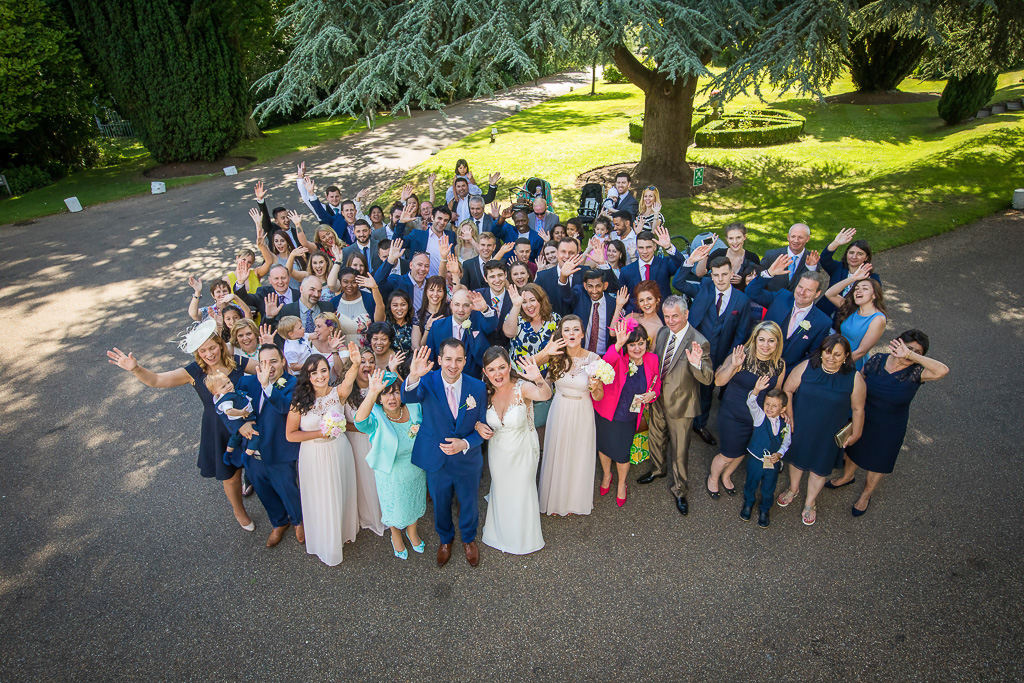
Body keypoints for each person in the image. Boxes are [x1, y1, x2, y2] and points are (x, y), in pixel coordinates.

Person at [106, 321, 257, 530]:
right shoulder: (194, 372)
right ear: (197, 353)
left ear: (220, 345)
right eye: (203, 351)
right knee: (231, 476)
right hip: (219, 430)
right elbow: (157, 380)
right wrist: (136, 369)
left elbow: (267, 370)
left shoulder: (237, 362)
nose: (209, 354)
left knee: (258, 468)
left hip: (248, 423)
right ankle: (238, 511)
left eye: (212, 348)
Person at [827, 331, 949, 516]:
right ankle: (847, 477)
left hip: (891, 426)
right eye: (908, 348)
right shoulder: (877, 360)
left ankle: (866, 494)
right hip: (864, 417)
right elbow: (860, 381)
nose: (910, 354)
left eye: (918, 352)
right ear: (897, 344)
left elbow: (942, 371)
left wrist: (911, 355)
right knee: (854, 449)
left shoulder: (916, 372)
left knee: (879, 461)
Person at [402, 343, 489, 567]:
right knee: (440, 504)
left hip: (467, 459)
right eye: (448, 359)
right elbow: (408, 397)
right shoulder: (426, 381)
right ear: (440, 360)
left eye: (458, 359)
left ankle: (468, 539)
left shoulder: (478, 387)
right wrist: (414, 375)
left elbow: (482, 426)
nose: (453, 365)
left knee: (469, 502)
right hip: (437, 458)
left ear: (465, 361)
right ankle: (445, 540)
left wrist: (465, 443)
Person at [777, 334, 866, 526]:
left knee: (819, 468)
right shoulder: (807, 367)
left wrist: (857, 433)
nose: (831, 357)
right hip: (802, 426)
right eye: (828, 352)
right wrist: (790, 417)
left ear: (846, 356)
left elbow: (858, 408)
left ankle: (810, 502)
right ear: (822, 352)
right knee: (797, 460)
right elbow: (788, 390)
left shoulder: (854, 378)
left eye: (837, 354)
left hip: (829, 433)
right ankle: (793, 489)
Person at [636, 296, 713, 516]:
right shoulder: (662, 332)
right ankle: (658, 469)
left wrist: (696, 364)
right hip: (658, 398)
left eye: (675, 316)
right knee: (656, 437)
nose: (670, 321)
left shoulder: (699, 341)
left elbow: (708, 378)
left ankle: (680, 490)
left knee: (679, 451)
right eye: (667, 316)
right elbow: (657, 363)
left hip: (681, 405)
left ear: (686, 314)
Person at [285, 350, 362, 565]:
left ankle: (343, 530)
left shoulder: (338, 393)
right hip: (314, 455)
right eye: (314, 373)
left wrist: (356, 364)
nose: (320, 376)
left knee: (341, 490)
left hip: (339, 450)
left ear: (329, 371)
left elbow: (349, 379)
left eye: (323, 371)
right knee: (320, 497)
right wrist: (319, 433)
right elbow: (290, 435)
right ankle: (325, 539)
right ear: (307, 376)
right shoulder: (299, 402)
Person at [673, 248, 753, 445]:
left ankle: (699, 424)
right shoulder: (705, 287)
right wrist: (690, 261)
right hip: (692, 348)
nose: (720, 279)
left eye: (724, 274)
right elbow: (678, 283)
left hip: (718, 353)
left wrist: (728, 361)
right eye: (716, 275)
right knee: (684, 384)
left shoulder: (742, 300)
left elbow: (741, 334)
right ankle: (678, 421)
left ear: (732, 273)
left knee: (706, 391)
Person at [477, 349, 551, 554]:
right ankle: (499, 534)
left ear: (509, 367)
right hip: (498, 452)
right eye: (492, 369)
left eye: (502, 367)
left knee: (521, 491)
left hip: (523, 451)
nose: (498, 374)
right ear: (485, 372)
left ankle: (522, 539)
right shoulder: (485, 392)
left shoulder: (522, 388)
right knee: (501, 490)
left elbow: (545, 395)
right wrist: (477, 425)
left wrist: (538, 379)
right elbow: (473, 417)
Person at [354, 369, 428, 560]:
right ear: (379, 398)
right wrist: (372, 392)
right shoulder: (376, 417)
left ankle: (412, 532)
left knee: (414, 501)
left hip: (415, 468)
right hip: (390, 473)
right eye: (385, 393)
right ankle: (395, 534)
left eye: (395, 392)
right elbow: (359, 422)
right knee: (394, 508)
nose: (392, 398)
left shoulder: (413, 407)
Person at [237, 344, 307, 546]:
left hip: (279, 450)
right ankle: (279, 522)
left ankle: (298, 521)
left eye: (274, 361)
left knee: (287, 489)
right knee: (263, 489)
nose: (269, 367)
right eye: (264, 362)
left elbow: (285, 407)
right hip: (253, 451)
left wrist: (267, 386)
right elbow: (230, 408)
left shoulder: (294, 384)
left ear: (283, 361)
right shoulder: (246, 382)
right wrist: (240, 425)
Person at [707, 321, 786, 498]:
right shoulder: (740, 355)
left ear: (777, 342)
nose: (766, 345)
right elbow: (718, 381)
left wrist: (781, 412)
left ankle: (727, 475)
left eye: (771, 340)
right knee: (727, 454)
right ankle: (713, 478)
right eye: (762, 339)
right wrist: (733, 366)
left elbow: (777, 391)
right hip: (733, 415)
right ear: (755, 339)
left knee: (743, 451)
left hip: (758, 418)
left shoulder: (779, 364)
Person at [538, 315, 604, 516]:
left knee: (578, 454)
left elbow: (599, 396)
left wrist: (594, 388)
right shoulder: (555, 356)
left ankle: (573, 501)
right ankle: (554, 500)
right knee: (557, 452)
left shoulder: (594, 360)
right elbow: (542, 380)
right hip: (559, 408)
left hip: (583, 410)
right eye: (566, 330)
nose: (571, 333)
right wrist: (545, 353)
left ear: (583, 333)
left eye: (576, 329)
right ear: (561, 334)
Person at [593, 318, 661, 506]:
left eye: (641, 343)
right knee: (604, 447)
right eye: (632, 345)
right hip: (607, 412)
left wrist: (653, 394)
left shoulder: (652, 359)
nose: (637, 348)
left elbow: (657, 382)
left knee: (622, 454)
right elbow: (604, 364)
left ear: (646, 343)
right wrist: (618, 344)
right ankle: (607, 475)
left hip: (629, 416)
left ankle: (622, 483)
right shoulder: (618, 358)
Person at [745, 256, 832, 369]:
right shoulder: (781, 297)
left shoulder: (823, 322)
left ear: (817, 293)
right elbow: (751, 292)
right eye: (800, 287)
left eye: (808, 290)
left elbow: (813, 354)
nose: (802, 292)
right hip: (755, 361)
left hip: (787, 371)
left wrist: (791, 373)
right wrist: (769, 273)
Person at [503, 283, 560, 436]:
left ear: (541, 300)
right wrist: (516, 306)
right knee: (520, 423)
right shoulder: (516, 317)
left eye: (532, 300)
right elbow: (508, 333)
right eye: (524, 301)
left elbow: (558, 353)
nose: (528, 305)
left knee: (541, 424)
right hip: (519, 377)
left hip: (546, 376)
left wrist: (549, 378)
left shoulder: (555, 319)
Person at [739, 376, 792, 528]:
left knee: (769, 487)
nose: (769, 408)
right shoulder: (760, 417)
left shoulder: (785, 424)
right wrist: (756, 390)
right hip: (756, 459)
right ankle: (749, 503)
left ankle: (765, 509)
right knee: (751, 482)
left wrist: (780, 453)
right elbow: (751, 403)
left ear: (783, 409)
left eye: (774, 406)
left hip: (772, 462)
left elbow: (786, 442)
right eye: (767, 404)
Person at [823, 265, 887, 371]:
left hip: (851, 363)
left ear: (874, 295)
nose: (859, 291)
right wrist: (853, 278)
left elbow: (861, 351)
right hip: (834, 358)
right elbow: (829, 294)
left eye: (865, 288)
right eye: (856, 289)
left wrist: (837, 365)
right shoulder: (851, 309)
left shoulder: (878, 319)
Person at [423, 289, 498, 379]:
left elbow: (491, 326)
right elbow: (431, 358)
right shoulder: (437, 326)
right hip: (444, 380)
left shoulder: (479, 321)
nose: (461, 309)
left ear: (471, 306)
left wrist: (485, 309)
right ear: (451, 305)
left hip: (474, 379)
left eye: (465, 305)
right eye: (457, 305)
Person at [817, 228, 880, 318]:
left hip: (847, 318)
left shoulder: (872, 278)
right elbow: (824, 259)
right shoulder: (838, 268)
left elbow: (875, 301)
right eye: (851, 252)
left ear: (866, 257)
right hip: (823, 313)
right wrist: (836, 243)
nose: (854, 256)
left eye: (860, 254)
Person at [617, 227, 684, 311]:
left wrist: (668, 247)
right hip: (636, 315)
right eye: (641, 248)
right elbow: (623, 297)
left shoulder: (664, 263)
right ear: (637, 248)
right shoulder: (626, 271)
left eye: (648, 247)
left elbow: (681, 265)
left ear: (654, 247)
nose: (645, 251)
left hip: (661, 314)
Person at [558, 265, 618, 356]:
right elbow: (566, 296)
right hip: (581, 353)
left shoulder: (613, 303)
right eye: (590, 286)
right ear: (585, 286)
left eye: (598, 286)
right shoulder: (580, 294)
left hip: (604, 355)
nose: (594, 291)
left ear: (605, 286)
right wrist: (563, 277)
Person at [206, 373, 260, 468]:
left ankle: (228, 453)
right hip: (242, 419)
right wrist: (241, 412)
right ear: (215, 392)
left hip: (239, 422)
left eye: (228, 382)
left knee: (235, 438)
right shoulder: (226, 400)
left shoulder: (228, 394)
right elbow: (229, 411)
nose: (228, 386)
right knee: (256, 436)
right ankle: (246, 455)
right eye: (223, 386)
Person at [694, 223, 761, 287]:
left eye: (738, 237)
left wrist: (743, 282)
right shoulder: (719, 253)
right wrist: (706, 252)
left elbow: (758, 283)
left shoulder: (752, 258)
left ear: (744, 237)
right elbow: (700, 273)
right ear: (727, 239)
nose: (735, 242)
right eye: (731, 238)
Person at [762, 223, 820, 293]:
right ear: (788, 237)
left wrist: (811, 268)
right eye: (793, 236)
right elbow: (758, 278)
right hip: (772, 298)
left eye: (800, 237)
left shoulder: (813, 259)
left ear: (807, 239)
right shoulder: (771, 256)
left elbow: (815, 285)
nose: (796, 240)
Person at [535, 237, 583, 315]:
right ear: (557, 253)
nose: (567, 256)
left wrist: (602, 264)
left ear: (577, 254)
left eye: (571, 252)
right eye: (563, 252)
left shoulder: (585, 273)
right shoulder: (542, 277)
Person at [475, 260, 514, 348]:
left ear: (505, 275)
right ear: (485, 278)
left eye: (500, 275)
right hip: (482, 350)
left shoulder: (514, 298)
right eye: (492, 276)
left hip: (508, 349)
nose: (497, 280)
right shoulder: (477, 296)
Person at [411, 275, 451, 349]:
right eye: (432, 290)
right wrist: (427, 328)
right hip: (429, 354)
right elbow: (417, 347)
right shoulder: (419, 315)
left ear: (444, 293)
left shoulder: (450, 309)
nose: (435, 294)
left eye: (439, 291)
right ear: (426, 291)